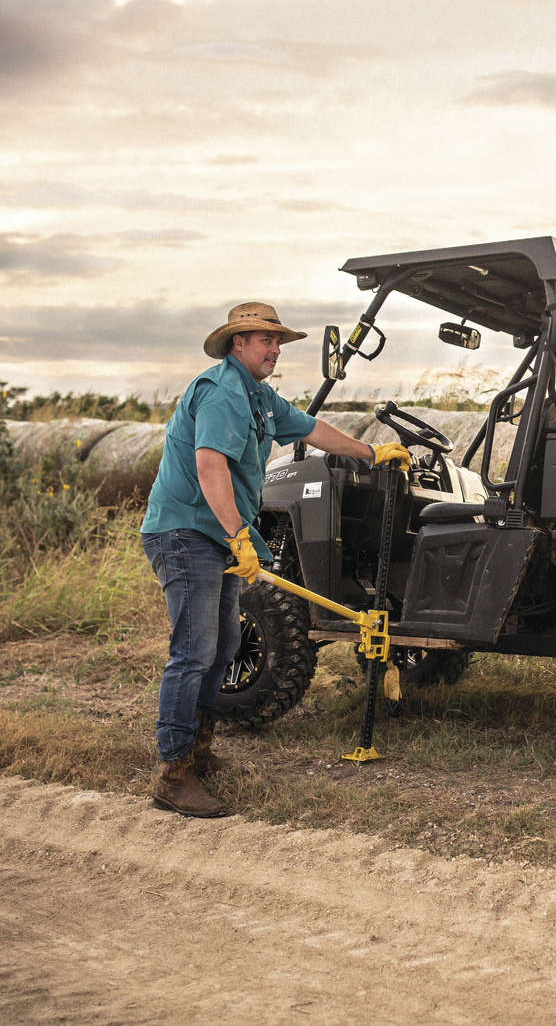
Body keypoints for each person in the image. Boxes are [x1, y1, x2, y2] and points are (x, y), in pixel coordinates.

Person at [140, 301, 410, 818]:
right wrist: (239, 533)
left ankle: (199, 750)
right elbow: (209, 465)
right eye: (265, 340)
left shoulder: (258, 396)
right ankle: (173, 775)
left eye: (278, 340)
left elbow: (310, 429)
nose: (275, 349)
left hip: (215, 535)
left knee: (220, 651)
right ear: (237, 343)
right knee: (194, 652)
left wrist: (370, 453)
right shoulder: (221, 392)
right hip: (186, 532)